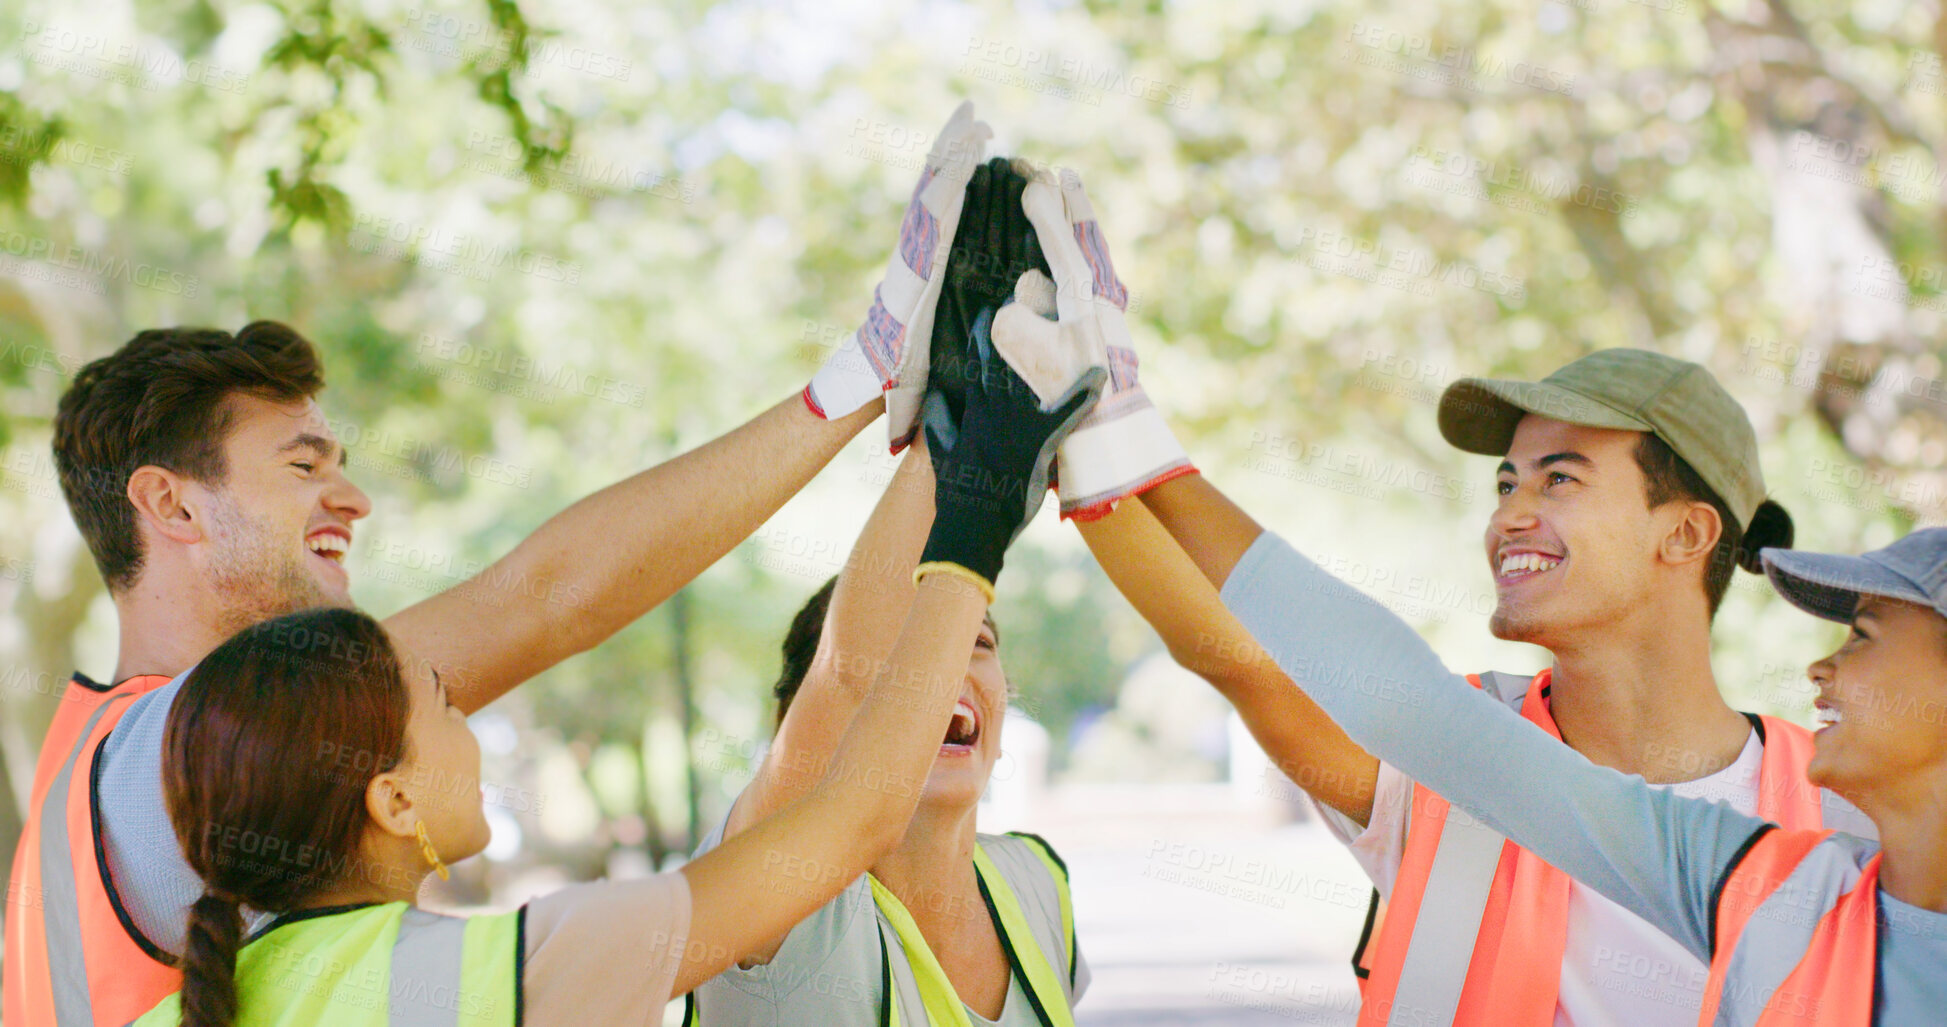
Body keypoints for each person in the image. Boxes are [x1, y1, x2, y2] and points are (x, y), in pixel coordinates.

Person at [5, 103, 1000, 1027]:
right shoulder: (165, 756)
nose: (350, 499)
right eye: (302, 466)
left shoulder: (95, 764)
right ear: (168, 502)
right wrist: (878, 376)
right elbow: (540, 603)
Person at [1050, 348, 1880, 1026]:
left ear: (1687, 532)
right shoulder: (1438, 754)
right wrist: (1081, 437)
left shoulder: (1846, 802)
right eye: (1506, 483)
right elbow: (1235, 657)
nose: (1508, 514)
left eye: (1558, 478)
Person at [1207, 514, 1947, 1023]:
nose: (1820, 666)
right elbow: (1426, 716)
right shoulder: (1773, 884)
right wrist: (1138, 459)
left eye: (1861, 636)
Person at [685, 162, 1108, 1027]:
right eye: (920, 642)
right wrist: (950, 433)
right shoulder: (776, 909)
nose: (950, 653)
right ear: (796, 743)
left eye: (977, 642)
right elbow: (849, 672)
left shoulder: (1034, 886)